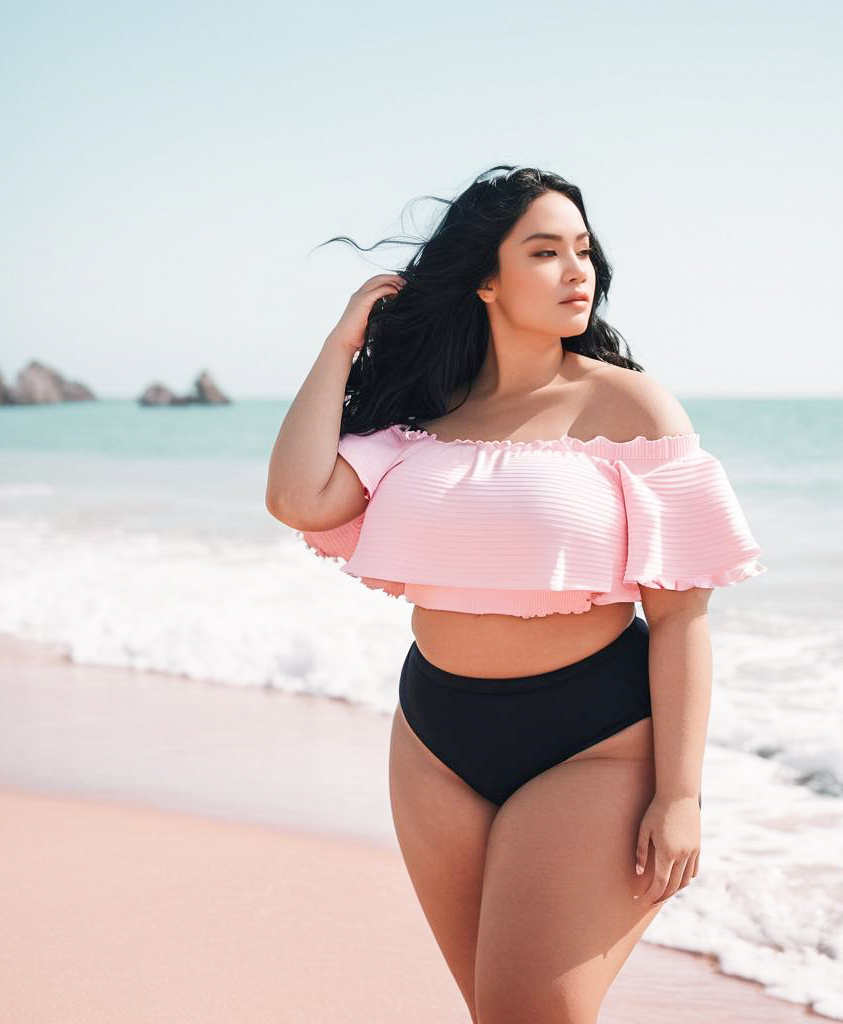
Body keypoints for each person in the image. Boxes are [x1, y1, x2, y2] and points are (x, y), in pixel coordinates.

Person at [266, 165, 767, 1023]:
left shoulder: (627, 405)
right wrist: (340, 343)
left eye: (583, 251)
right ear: (486, 279)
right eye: (545, 251)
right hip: (435, 744)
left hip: (595, 746)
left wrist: (678, 797)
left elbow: (680, 616)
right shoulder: (423, 418)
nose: (578, 270)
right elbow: (299, 498)